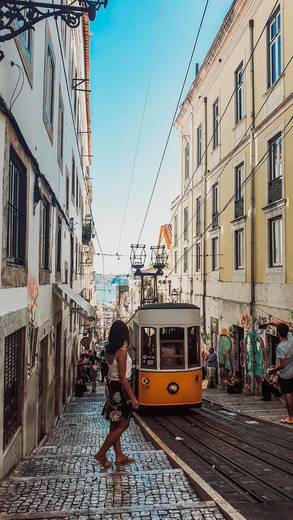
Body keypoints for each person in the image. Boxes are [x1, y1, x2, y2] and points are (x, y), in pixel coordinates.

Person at [95, 320, 139, 468]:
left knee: (114, 424)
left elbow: (111, 373)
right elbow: (122, 377)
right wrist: (133, 397)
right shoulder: (122, 351)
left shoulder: (109, 350)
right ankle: (101, 453)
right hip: (120, 388)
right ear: (124, 334)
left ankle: (119, 455)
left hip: (111, 388)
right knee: (124, 424)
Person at [268, 323, 293, 424]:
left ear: (278, 333)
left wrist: (273, 370)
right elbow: (286, 327)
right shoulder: (291, 339)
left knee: (288, 394)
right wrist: (272, 323)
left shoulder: (280, 347)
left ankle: (290, 417)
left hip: (285, 374)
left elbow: (282, 365)